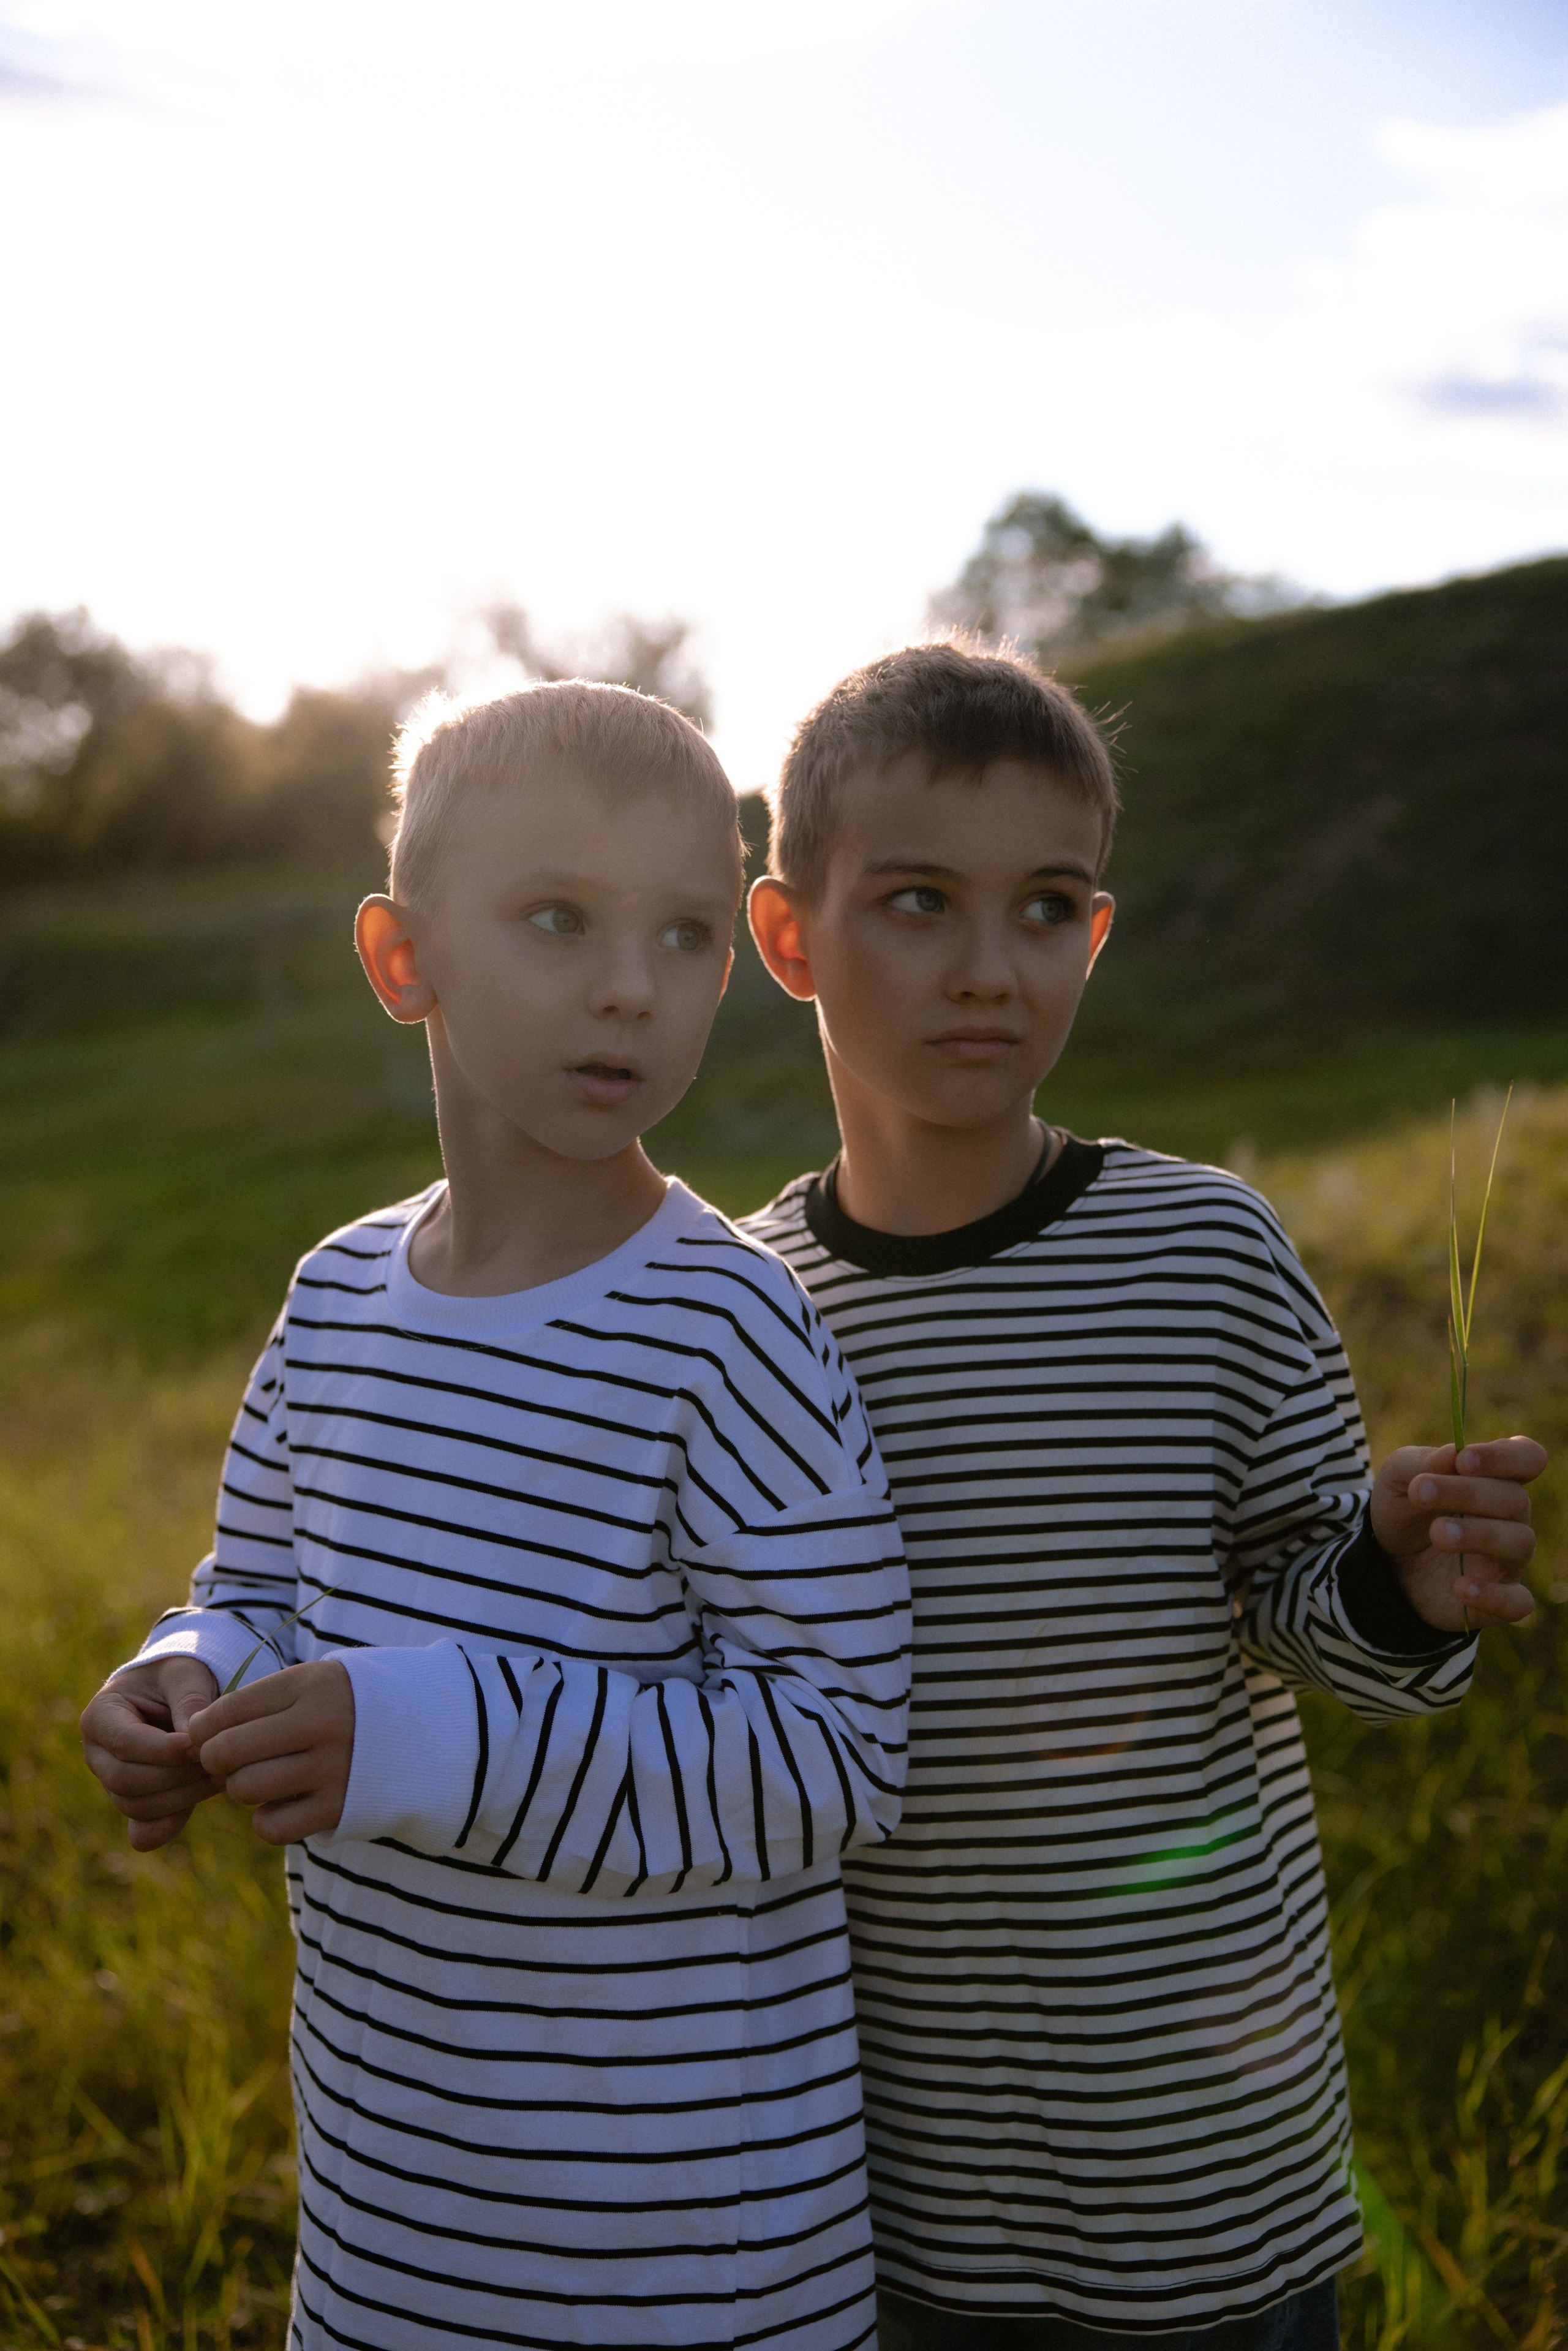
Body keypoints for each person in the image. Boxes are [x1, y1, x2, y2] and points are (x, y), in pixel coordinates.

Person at [81, 681, 912, 2351]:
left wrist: (437, 1734)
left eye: (687, 938)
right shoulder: (333, 1303)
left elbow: (841, 1754)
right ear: (406, 962)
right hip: (396, 2235)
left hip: (685, 2260)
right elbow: (251, 1587)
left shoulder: (727, 1335)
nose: (631, 986)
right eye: (559, 920)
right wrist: (188, 1672)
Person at [742, 640, 1547, 2350]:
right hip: (889, 2190)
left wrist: (1400, 1579)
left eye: (1046, 908)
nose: (987, 968)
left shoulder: (1204, 1254)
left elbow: (1308, 1609)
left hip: (1209, 2169)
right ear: (789, 936)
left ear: (1094, 934)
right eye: (914, 903)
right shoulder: (738, 1311)